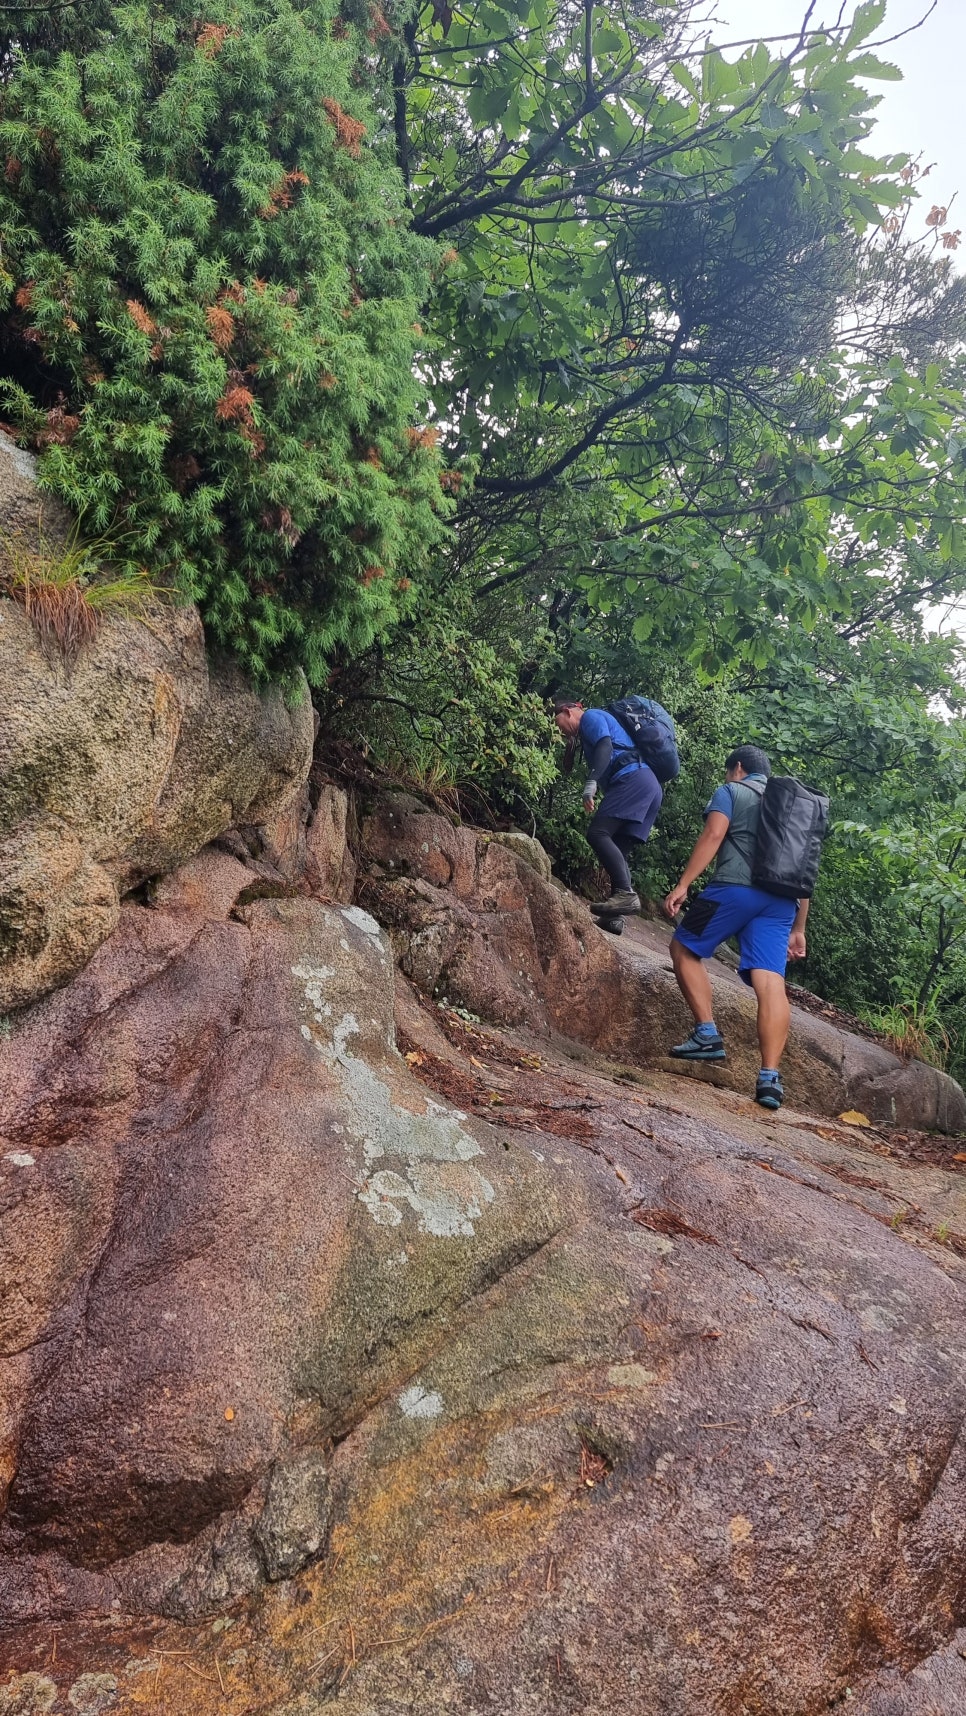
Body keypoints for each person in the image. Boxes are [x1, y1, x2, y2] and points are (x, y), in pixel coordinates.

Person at [662, 744, 808, 1110]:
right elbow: (803, 872)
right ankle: (770, 1078)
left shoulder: (731, 791)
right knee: (771, 980)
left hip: (733, 890)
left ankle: (707, 1035)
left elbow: (713, 835)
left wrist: (683, 885)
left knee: (683, 947)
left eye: (730, 771)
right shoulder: (793, 809)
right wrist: (799, 927)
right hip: (781, 903)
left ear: (738, 768)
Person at [553, 696, 663, 930]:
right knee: (619, 849)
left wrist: (591, 782)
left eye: (558, 722)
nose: (559, 729)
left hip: (635, 779)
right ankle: (615, 918)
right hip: (649, 785)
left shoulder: (590, 717)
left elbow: (605, 745)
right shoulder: (589, 727)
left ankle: (625, 894)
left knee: (597, 833)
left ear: (568, 711)